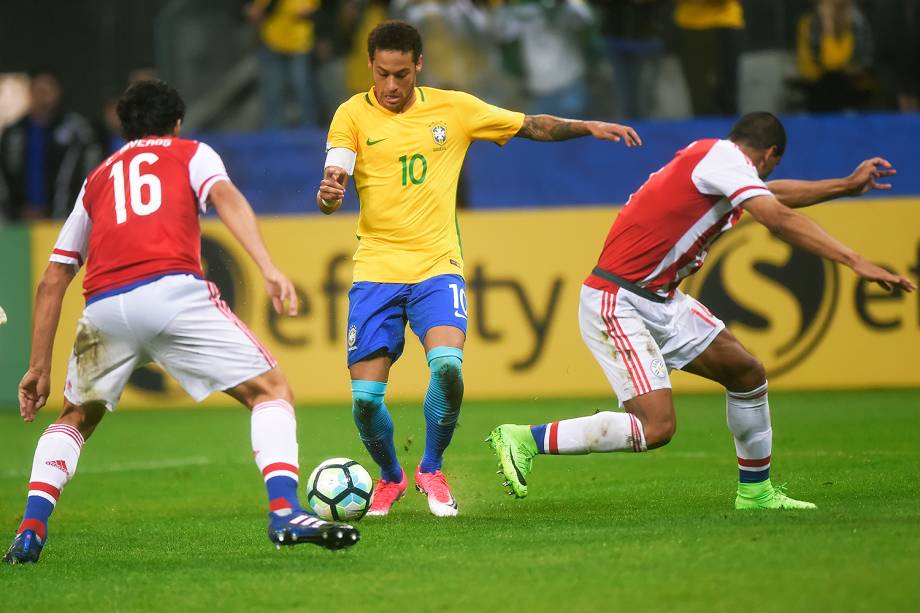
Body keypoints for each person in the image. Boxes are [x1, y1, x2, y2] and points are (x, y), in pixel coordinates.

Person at [4, 80, 359, 565]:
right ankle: (285, 511)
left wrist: (37, 366)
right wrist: (268, 268)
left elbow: (53, 278)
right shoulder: (191, 153)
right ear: (176, 124)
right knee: (270, 390)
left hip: (104, 305)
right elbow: (227, 198)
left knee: (74, 418)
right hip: (172, 291)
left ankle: (29, 530)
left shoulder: (98, 178)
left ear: (124, 129)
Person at [488, 112, 916, 510]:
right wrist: (854, 260)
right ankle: (524, 438)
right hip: (618, 300)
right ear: (769, 156)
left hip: (661, 298)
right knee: (655, 428)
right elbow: (777, 216)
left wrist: (843, 186)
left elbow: (773, 195)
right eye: (767, 170)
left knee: (746, 372)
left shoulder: (715, 160)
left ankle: (756, 493)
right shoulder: (723, 159)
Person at [316, 20, 641, 518]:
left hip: (436, 266)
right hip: (374, 270)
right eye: (382, 74)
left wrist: (586, 127)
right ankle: (390, 477)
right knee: (364, 400)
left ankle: (430, 467)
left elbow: (529, 124)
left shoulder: (456, 109)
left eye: (401, 74)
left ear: (418, 66)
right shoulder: (352, 114)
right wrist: (330, 188)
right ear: (370, 67)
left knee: (447, 367)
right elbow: (336, 166)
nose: (391, 86)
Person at [0, 72, 101, 221]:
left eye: (48, 90)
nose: (44, 95)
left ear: (58, 92)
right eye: (39, 90)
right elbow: (5, 175)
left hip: (64, 217)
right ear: (31, 92)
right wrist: (15, 210)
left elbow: (89, 171)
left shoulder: (76, 130)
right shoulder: (15, 132)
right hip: (19, 220)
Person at [244, 0, 321, 128]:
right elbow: (256, 10)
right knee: (272, 91)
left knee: (302, 89)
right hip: (271, 40)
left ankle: (309, 134)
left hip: (299, 43)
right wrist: (255, 10)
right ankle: (273, 136)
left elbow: (312, 8)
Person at [673, 0, 744, 116]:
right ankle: (704, 130)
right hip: (690, 24)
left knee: (727, 92)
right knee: (699, 95)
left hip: (724, 22)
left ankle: (729, 129)